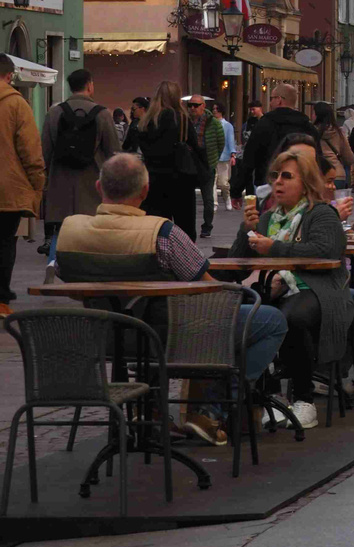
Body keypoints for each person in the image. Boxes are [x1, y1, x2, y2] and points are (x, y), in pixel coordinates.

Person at [56, 152, 287, 445]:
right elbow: (212, 294)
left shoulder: (70, 232)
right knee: (270, 320)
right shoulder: (162, 232)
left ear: (99, 188)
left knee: (156, 316)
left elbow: (64, 276)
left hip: (104, 337)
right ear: (144, 191)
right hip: (170, 337)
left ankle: (153, 412)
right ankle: (211, 410)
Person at [227, 143, 354, 430]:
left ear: (306, 183)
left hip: (318, 289)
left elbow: (325, 250)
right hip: (268, 288)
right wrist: (245, 229)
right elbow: (239, 260)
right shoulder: (267, 217)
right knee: (248, 314)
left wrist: (274, 247)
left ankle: (304, 399)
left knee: (290, 317)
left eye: (287, 176)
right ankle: (265, 395)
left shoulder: (320, 213)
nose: (278, 182)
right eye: (275, 176)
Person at [40, 67, 121, 247]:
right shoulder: (102, 114)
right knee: (90, 238)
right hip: (92, 188)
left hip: (60, 187)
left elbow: (44, 152)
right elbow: (113, 153)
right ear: (90, 86)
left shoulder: (54, 113)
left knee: (60, 236)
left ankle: (55, 268)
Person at [128, 81, 206, 239]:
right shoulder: (181, 118)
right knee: (185, 225)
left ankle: (158, 258)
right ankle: (183, 258)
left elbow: (140, 146)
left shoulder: (146, 121)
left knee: (156, 226)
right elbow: (197, 147)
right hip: (180, 178)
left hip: (154, 178)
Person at [0, 54, 45, 317]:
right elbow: (30, 151)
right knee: (5, 242)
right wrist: (37, 186)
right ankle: (1, 296)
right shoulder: (17, 105)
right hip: (7, 190)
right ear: (9, 76)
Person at [231, 83, 320, 199]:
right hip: (301, 188)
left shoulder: (264, 124)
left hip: (268, 187)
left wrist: (236, 190)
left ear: (279, 100)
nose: (270, 102)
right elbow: (318, 159)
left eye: (272, 98)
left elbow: (249, 159)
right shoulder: (308, 127)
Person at [187, 95, 224, 239]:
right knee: (187, 198)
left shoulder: (213, 123)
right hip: (189, 164)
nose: (192, 108)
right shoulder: (186, 121)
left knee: (208, 199)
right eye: (190, 105)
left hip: (206, 164)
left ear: (203, 106)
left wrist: (213, 161)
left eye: (195, 105)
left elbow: (221, 143)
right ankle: (187, 226)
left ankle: (207, 226)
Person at [313, 102, 354, 188]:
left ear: (317, 116)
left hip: (317, 174)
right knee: (336, 201)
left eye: (313, 113)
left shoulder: (311, 132)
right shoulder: (338, 132)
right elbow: (349, 158)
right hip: (337, 174)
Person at [216, 104, 236, 210]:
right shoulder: (210, 125)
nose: (214, 111)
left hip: (224, 157)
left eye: (216, 109)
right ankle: (214, 204)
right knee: (211, 183)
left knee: (223, 183)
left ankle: (227, 197)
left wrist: (232, 154)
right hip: (212, 157)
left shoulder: (227, 125)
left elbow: (230, 140)